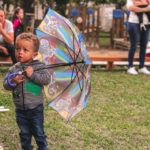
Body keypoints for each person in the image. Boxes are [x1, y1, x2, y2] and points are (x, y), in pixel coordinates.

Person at [3, 32, 50, 150]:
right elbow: (5, 84)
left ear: (34, 53)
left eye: (25, 49)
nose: (20, 52)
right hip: (20, 110)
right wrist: (13, 81)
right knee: (24, 134)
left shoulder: (39, 66)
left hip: (35, 109)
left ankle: (42, 147)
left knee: (38, 133)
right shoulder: (14, 68)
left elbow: (46, 79)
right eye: (18, 48)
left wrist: (32, 75)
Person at [126, 0, 150, 75]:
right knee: (134, 45)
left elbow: (136, 8)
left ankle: (141, 67)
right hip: (134, 23)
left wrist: (139, 8)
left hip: (147, 24)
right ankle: (130, 67)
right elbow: (131, 8)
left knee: (144, 46)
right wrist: (146, 8)